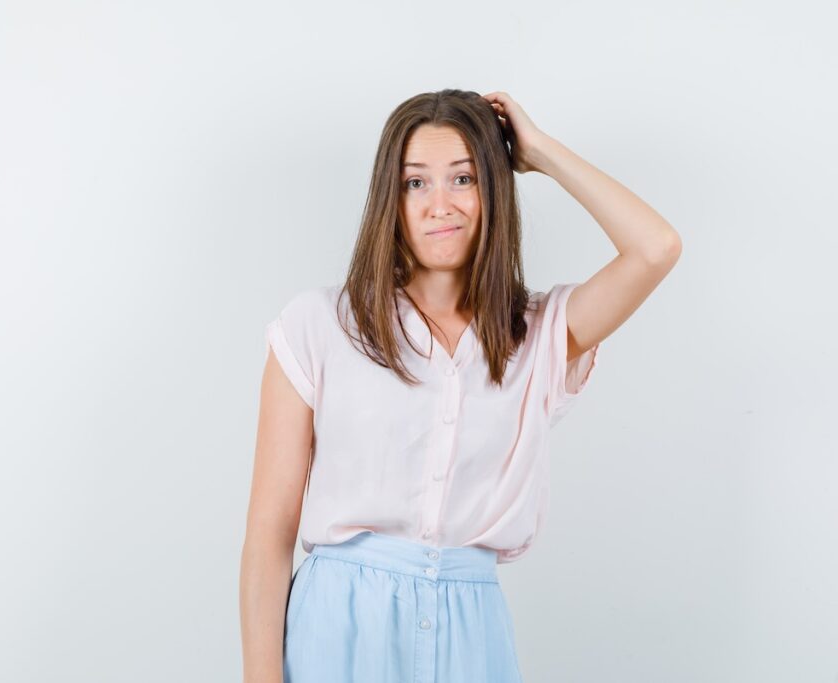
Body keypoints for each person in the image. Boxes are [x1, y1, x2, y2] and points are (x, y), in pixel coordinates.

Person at [239, 89, 681, 683]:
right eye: (415, 183)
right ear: (389, 200)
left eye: (465, 179)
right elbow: (269, 536)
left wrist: (540, 152)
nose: (439, 204)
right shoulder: (319, 325)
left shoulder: (538, 335)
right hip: (339, 627)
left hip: (473, 630)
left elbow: (655, 249)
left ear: (494, 190)